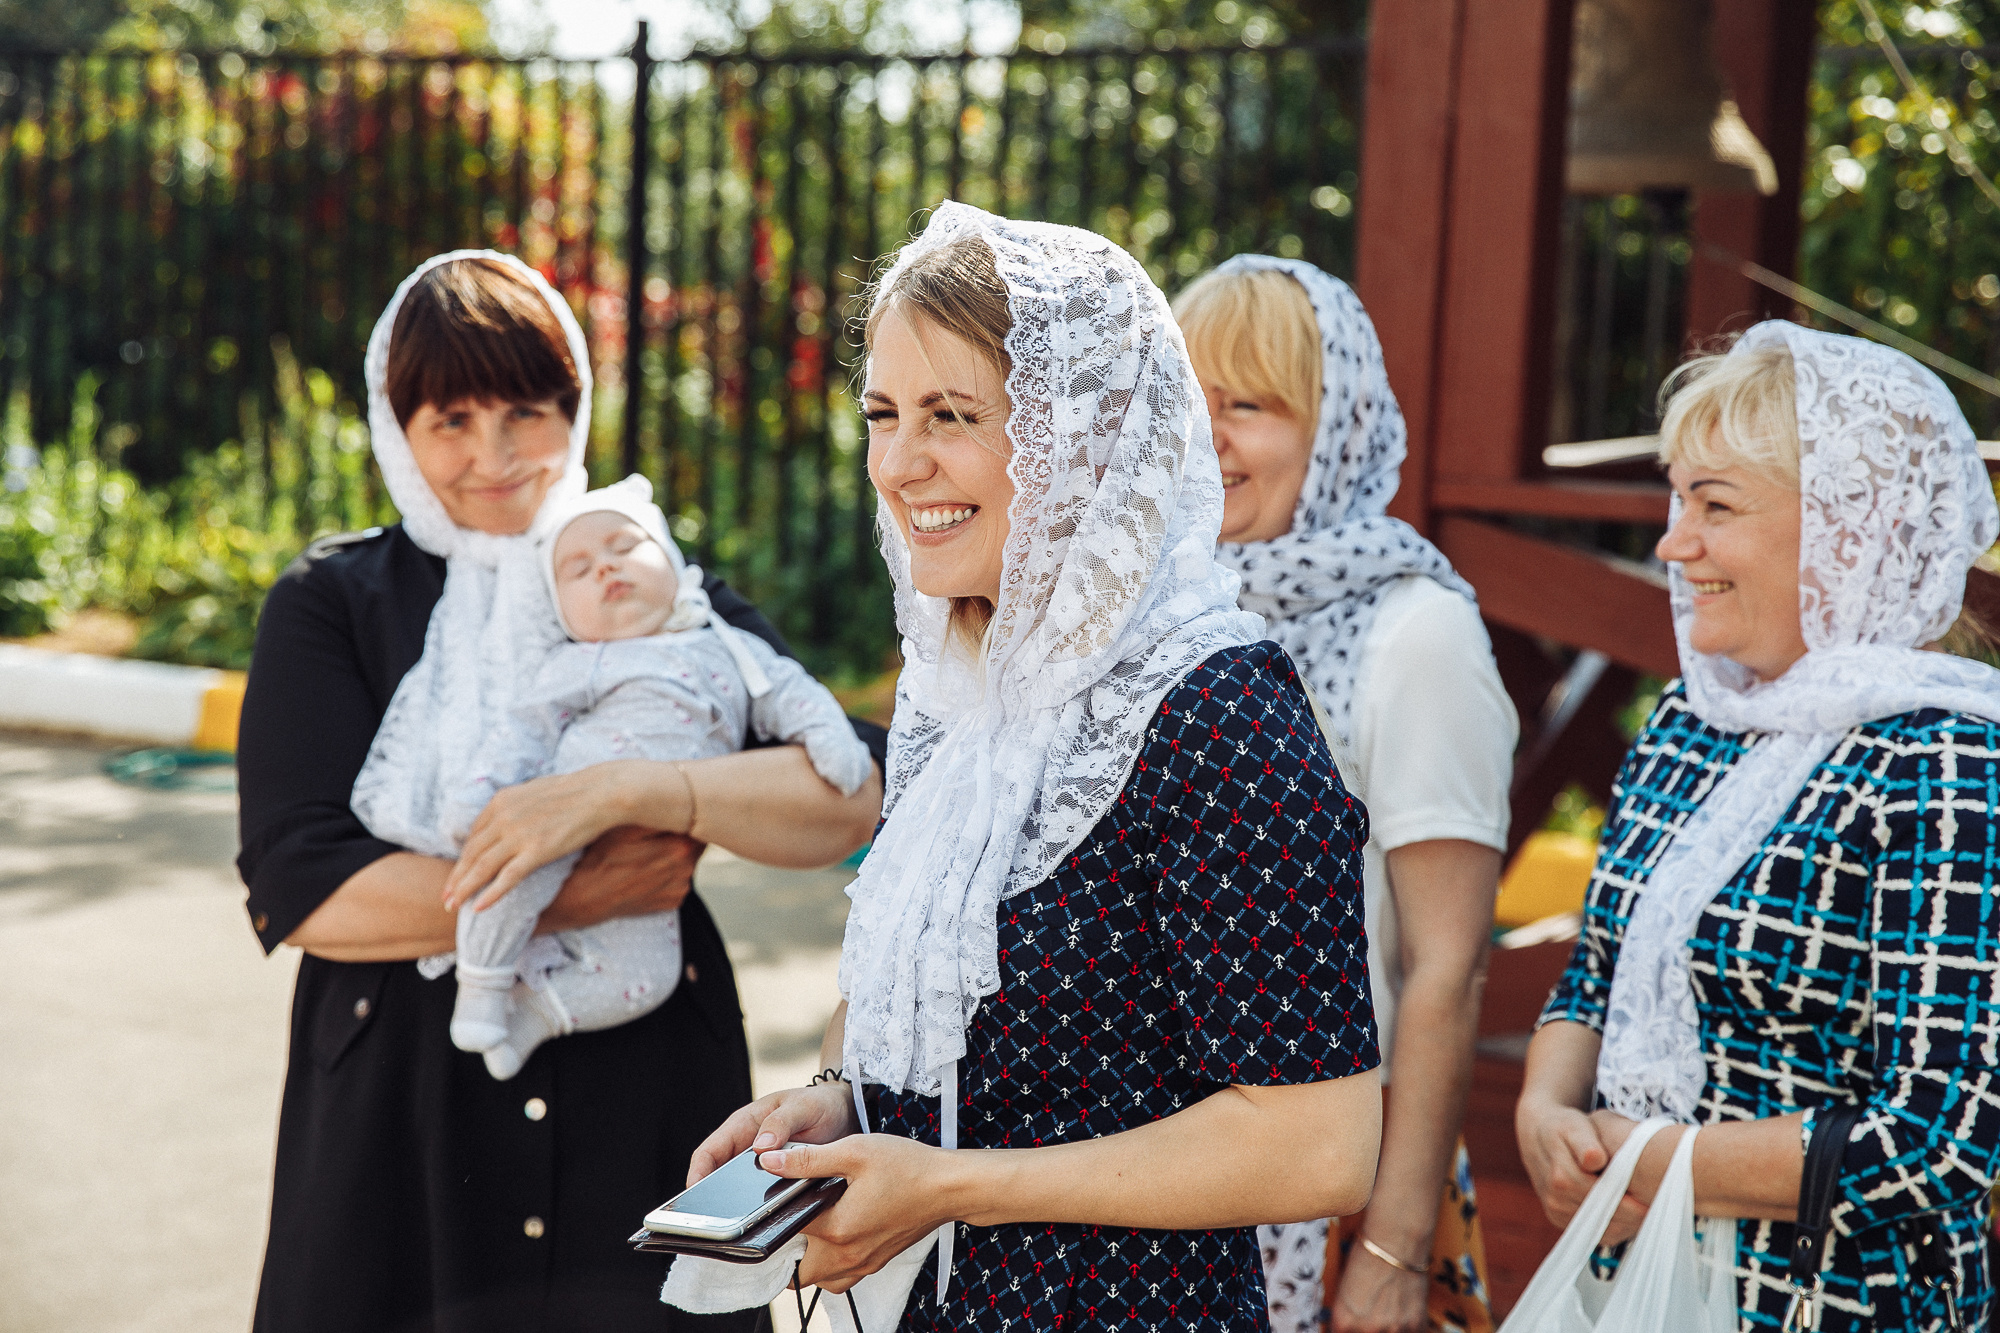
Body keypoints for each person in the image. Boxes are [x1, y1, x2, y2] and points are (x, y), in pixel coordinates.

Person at [668, 202, 1384, 1332]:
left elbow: (1318, 1143)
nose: (902, 464)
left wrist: (951, 1188)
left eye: (951, 415)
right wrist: (833, 1103)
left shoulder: (1215, 711)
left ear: (1083, 439)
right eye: (882, 413)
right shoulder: (954, 687)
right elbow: (919, 992)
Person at [236, 250, 882, 1332]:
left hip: (639, 1083)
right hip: (403, 1089)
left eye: (523, 412)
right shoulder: (333, 600)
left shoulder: (640, 577)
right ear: (398, 430)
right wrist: (576, 890)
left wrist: (646, 790)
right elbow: (304, 888)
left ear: (571, 414)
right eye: (448, 421)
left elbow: (846, 796)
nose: (492, 457)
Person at [1516, 322, 2000, 1331]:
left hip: (1830, 1303)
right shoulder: (1691, 724)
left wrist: (1645, 1158)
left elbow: (1937, 1138)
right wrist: (1543, 1113)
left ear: (1846, 529)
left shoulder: (1947, 761)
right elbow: (1595, 966)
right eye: (1675, 497)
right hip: (1628, 1272)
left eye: (1714, 505)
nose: (1670, 542)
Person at [1173, 258, 1515, 1333]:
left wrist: (1390, 1245)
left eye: (1248, 405)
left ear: (1339, 429)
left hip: (1328, 1186)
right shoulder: (1153, 611)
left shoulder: (1414, 630)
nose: (1206, 436)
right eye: (1185, 401)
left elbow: (1443, 967)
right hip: (1143, 1173)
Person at [355, 474, 872, 1080]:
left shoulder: (729, 648)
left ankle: (540, 1013)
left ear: (675, 563)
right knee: (506, 878)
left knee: (648, 976)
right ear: (561, 614)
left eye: (625, 547)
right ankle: (484, 984)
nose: (605, 568)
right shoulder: (581, 662)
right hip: (559, 824)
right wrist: (479, 799)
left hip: (652, 851)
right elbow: (524, 731)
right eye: (577, 569)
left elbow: (791, 693)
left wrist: (831, 741)